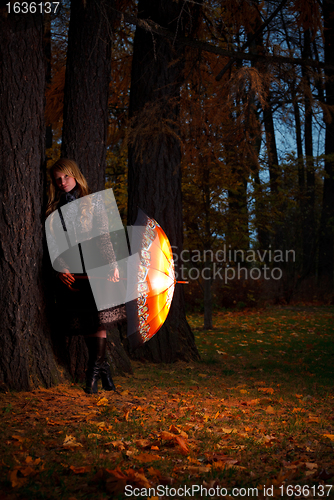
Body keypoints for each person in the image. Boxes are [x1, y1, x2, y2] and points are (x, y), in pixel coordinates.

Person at [45, 158, 125, 394]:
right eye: (57, 179)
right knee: (89, 319)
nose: (62, 182)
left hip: (97, 266)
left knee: (98, 319)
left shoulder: (93, 203)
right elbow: (53, 244)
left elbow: (103, 236)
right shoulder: (53, 209)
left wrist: (112, 264)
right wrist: (60, 267)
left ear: (75, 175)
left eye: (66, 177)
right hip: (73, 270)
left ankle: (93, 371)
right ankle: (104, 372)